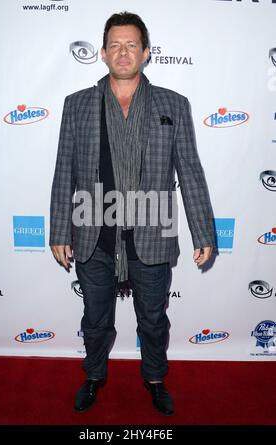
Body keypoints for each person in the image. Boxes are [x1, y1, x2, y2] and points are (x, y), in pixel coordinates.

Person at [50, 11, 216, 416]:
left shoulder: (173, 104)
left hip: (151, 233)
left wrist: (204, 234)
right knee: (95, 318)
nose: (123, 52)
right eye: (115, 45)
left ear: (145, 53)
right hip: (93, 232)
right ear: (103, 53)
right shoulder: (77, 105)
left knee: (154, 320)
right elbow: (64, 169)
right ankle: (94, 376)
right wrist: (59, 230)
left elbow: (190, 171)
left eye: (132, 45)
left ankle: (155, 379)